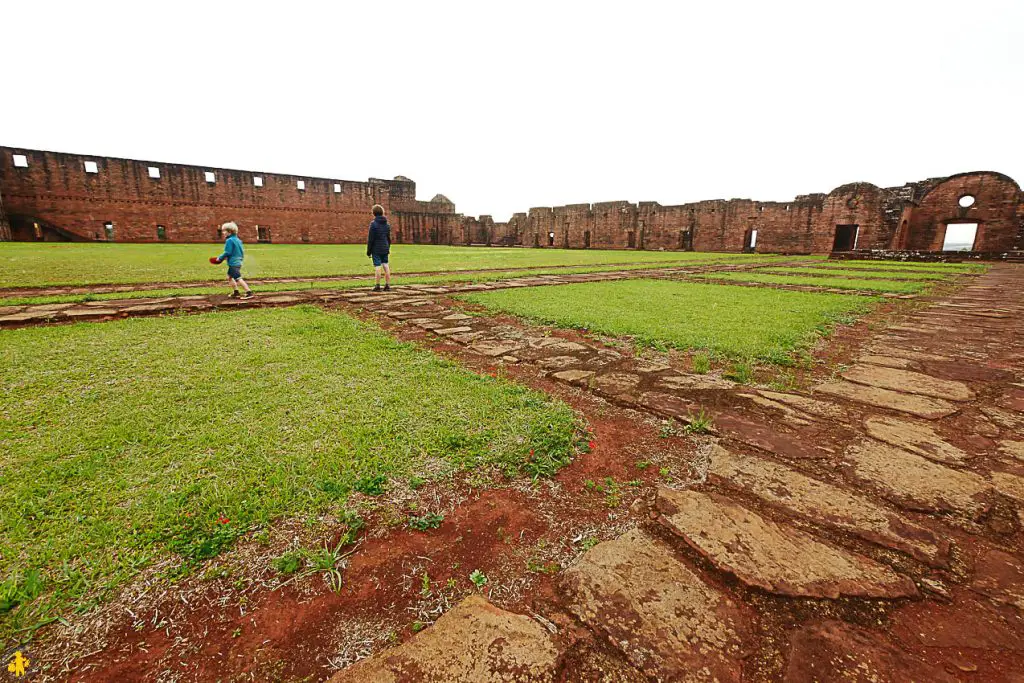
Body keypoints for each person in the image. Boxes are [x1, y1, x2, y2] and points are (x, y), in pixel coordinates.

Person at [210, 222, 253, 299]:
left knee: (238, 278)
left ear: (229, 232)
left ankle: (249, 292)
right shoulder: (238, 240)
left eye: (224, 231)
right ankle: (236, 292)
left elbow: (227, 252)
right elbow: (238, 252)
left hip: (233, 263)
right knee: (230, 277)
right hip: (238, 261)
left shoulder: (229, 240)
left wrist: (220, 258)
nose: (223, 233)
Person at [366, 204, 392, 291]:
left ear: (373, 213)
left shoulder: (373, 224)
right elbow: (388, 238)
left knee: (377, 266)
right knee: (386, 265)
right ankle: (387, 285)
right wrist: (388, 248)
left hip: (376, 249)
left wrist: (369, 251)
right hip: (385, 247)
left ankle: (377, 285)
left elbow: (371, 239)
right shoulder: (387, 225)